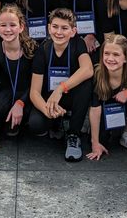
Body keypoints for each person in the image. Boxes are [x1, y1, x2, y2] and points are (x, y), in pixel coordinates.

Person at [29, 8, 94, 162]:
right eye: (55, 27)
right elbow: (34, 92)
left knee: (86, 83)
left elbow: (88, 69)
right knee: (35, 123)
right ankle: (56, 122)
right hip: (51, 100)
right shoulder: (43, 49)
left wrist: (60, 88)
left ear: (73, 31)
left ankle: (74, 134)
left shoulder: (78, 44)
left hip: (68, 95)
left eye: (64, 28)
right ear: (48, 28)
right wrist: (47, 110)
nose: (59, 32)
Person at [0, 5, 36, 150]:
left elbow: (36, 84)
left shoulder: (31, 49)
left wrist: (20, 103)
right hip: (7, 93)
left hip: (29, 95)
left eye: (12, 25)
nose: (7, 29)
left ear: (21, 27)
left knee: (36, 123)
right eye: (3, 25)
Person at [87, 34, 127, 160]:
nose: (110, 58)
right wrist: (95, 143)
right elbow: (95, 109)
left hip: (124, 109)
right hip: (104, 112)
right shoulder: (97, 75)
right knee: (102, 140)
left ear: (125, 58)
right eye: (106, 53)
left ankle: (126, 132)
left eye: (116, 55)